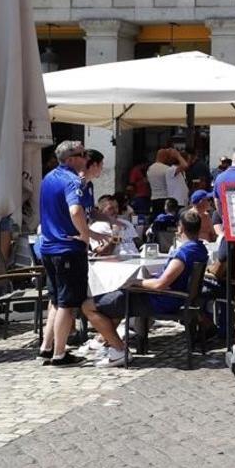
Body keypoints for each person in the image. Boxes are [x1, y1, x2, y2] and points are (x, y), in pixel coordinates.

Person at [82, 210, 208, 366]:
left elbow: (160, 284)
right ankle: (110, 344)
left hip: (159, 300)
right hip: (171, 298)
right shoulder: (200, 249)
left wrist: (135, 283)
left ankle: (119, 350)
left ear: (180, 228)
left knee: (88, 306)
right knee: (113, 304)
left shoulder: (184, 253)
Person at [36, 140, 113, 367]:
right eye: (81, 154)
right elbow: (75, 210)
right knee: (67, 304)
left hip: (48, 248)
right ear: (71, 159)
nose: (85, 157)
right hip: (67, 249)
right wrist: (85, 235)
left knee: (56, 301)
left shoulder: (48, 178)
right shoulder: (73, 181)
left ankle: (46, 347)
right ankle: (60, 354)